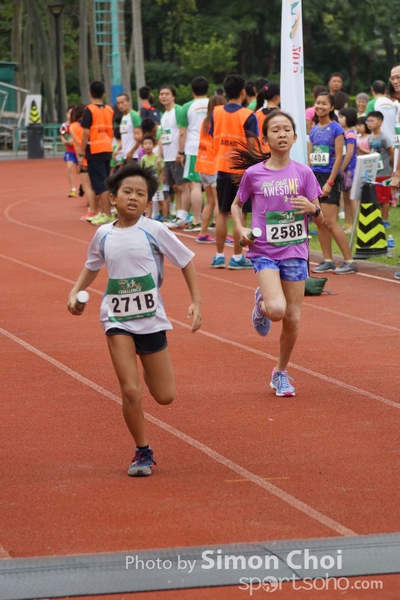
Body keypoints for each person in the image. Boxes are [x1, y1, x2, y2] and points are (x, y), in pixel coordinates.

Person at [67, 161, 202, 477]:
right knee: (130, 390)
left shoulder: (155, 230)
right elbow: (92, 265)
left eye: (141, 194)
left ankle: (147, 370)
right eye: (127, 191)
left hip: (151, 318)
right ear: (113, 198)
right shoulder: (103, 234)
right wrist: (75, 291)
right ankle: (142, 450)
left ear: (148, 202)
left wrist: (196, 301)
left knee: (165, 396)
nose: (133, 197)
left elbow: (186, 261)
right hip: (116, 318)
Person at [230, 111, 324, 397]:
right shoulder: (254, 174)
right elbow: (236, 205)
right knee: (277, 311)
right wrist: (241, 228)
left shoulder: (304, 173)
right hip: (264, 251)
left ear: (295, 137)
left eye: (286, 130)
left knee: (292, 318)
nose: (282, 134)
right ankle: (262, 304)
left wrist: (313, 209)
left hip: (295, 251)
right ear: (266, 139)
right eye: (275, 130)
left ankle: (280, 372)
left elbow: (321, 219)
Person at [210, 73, 259, 270]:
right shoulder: (248, 115)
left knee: (222, 212)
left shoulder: (216, 112)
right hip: (241, 172)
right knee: (239, 213)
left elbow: (213, 135)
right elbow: (253, 146)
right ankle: (237, 257)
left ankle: (219, 256)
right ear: (243, 93)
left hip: (222, 167)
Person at [308, 92, 358, 274]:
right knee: (319, 220)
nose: (320, 106)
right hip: (315, 177)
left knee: (330, 221)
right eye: (318, 103)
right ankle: (328, 260)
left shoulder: (336, 128)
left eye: (324, 104)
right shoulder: (314, 129)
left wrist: (330, 182)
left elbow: (338, 157)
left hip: (329, 176)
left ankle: (349, 261)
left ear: (331, 108)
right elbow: (310, 157)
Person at [79, 81, 114, 226]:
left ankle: (106, 214)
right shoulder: (109, 110)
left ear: (90, 94)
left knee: (100, 184)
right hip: (107, 148)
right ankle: (105, 212)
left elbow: (86, 133)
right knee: (104, 181)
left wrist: (81, 153)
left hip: (95, 149)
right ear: (104, 94)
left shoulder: (89, 110)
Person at [176, 76, 209, 232]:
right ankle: (212, 218)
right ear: (207, 89)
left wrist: (180, 152)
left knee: (195, 184)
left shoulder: (187, 106)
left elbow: (182, 132)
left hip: (194, 148)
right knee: (212, 185)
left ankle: (197, 220)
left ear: (192, 90)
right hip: (211, 148)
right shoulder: (214, 104)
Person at [195, 94, 227, 243]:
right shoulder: (218, 121)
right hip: (213, 165)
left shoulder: (205, 121)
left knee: (210, 202)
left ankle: (203, 233)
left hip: (202, 164)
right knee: (218, 203)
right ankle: (221, 234)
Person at [157, 85, 185, 228]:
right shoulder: (164, 115)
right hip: (167, 157)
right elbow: (162, 137)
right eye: (161, 94)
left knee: (182, 187)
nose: (163, 96)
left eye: (166, 94)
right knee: (175, 186)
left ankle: (182, 216)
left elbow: (183, 131)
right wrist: (159, 156)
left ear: (173, 96)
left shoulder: (178, 110)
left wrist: (180, 152)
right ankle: (179, 215)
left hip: (176, 156)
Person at [69, 103, 98, 221]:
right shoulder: (90, 125)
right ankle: (97, 210)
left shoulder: (73, 127)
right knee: (95, 185)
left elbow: (77, 145)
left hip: (84, 157)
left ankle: (92, 211)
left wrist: (79, 159)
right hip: (94, 154)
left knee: (87, 187)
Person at [366, 110, 394, 227]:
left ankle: (385, 220)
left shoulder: (384, 138)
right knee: (376, 197)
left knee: (384, 198)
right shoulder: (370, 138)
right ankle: (378, 219)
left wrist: (391, 168)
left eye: (372, 121)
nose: (369, 123)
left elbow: (392, 153)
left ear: (380, 122)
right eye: (368, 121)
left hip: (384, 173)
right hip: (374, 172)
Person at [338, 107, 358, 231]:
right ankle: (347, 224)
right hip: (344, 168)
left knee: (351, 197)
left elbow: (349, 153)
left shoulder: (350, 134)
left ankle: (355, 224)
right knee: (345, 198)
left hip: (349, 168)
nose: (339, 119)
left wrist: (341, 168)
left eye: (342, 117)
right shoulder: (343, 133)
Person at [140, 134, 166, 220]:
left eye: (149, 143)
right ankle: (148, 216)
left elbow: (163, 170)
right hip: (148, 185)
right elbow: (142, 171)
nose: (147, 146)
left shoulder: (157, 157)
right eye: (145, 144)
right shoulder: (143, 159)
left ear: (153, 145)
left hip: (157, 185)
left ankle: (164, 216)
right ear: (142, 146)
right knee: (149, 200)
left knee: (160, 201)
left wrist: (160, 180)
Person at [115, 93, 142, 163]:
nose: (120, 105)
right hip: (125, 156)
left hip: (134, 155)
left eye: (122, 102)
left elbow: (141, 137)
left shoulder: (134, 116)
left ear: (129, 102)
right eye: (118, 103)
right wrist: (118, 149)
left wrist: (131, 152)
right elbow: (125, 137)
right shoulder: (123, 117)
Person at [60, 106, 78, 197]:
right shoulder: (64, 126)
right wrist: (65, 141)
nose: (70, 115)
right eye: (69, 113)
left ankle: (84, 186)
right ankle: (73, 189)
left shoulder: (78, 125)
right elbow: (62, 134)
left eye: (72, 113)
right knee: (69, 167)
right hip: (70, 151)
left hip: (79, 151)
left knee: (80, 170)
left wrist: (74, 141)